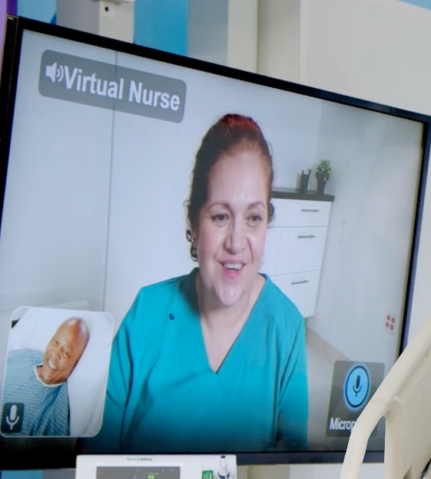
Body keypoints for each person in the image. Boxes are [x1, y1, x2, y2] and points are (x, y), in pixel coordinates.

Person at [95, 114, 308, 453]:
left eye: (253, 218)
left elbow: (288, 472)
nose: (237, 243)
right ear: (194, 224)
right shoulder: (146, 313)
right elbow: (94, 463)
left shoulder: (286, 327)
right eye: (221, 217)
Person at [0, 317, 90, 436]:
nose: (55, 353)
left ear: (76, 363)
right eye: (55, 342)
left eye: (66, 352)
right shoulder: (22, 356)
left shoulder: (57, 411)